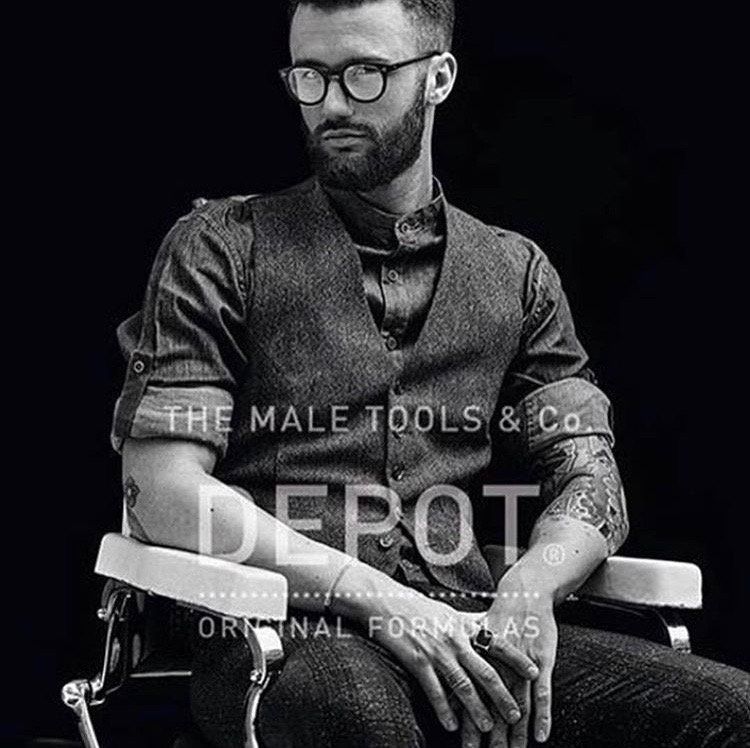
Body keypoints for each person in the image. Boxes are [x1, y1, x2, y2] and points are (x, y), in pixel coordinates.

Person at [111, 0, 750, 745]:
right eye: (310, 76)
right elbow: (162, 489)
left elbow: (589, 473)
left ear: (439, 77)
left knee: (731, 714)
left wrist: (532, 585)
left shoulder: (517, 275)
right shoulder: (221, 248)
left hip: (465, 618)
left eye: (365, 73)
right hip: (279, 630)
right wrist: (377, 598)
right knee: (359, 716)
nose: (332, 104)